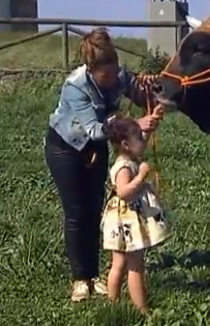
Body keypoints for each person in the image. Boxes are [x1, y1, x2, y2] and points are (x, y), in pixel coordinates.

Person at [43, 27, 164, 302]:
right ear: (91, 69)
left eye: (115, 71)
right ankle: (79, 279)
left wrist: (153, 101)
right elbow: (95, 130)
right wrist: (134, 124)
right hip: (67, 148)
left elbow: (138, 91)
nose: (111, 81)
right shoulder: (76, 86)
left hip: (94, 150)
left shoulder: (117, 76)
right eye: (105, 76)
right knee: (76, 212)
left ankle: (94, 275)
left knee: (96, 209)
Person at [101, 115, 169, 313]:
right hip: (126, 221)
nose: (143, 142)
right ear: (126, 144)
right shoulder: (124, 167)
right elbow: (123, 192)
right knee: (135, 266)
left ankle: (112, 304)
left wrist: (150, 125)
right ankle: (142, 309)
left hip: (122, 220)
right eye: (139, 138)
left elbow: (141, 141)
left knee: (119, 263)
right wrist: (140, 177)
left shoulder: (128, 156)